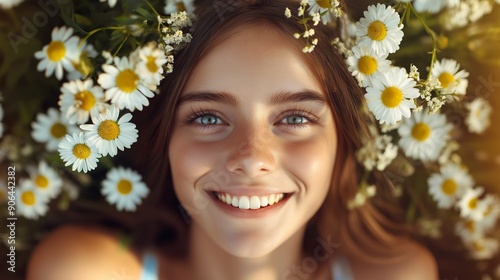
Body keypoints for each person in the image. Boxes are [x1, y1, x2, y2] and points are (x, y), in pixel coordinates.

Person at [27, 0, 438, 279]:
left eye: (295, 117)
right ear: (165, 138)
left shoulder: (397, 273)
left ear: (343, 143)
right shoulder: (84, 269)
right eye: (207, 117)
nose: (251, 158)